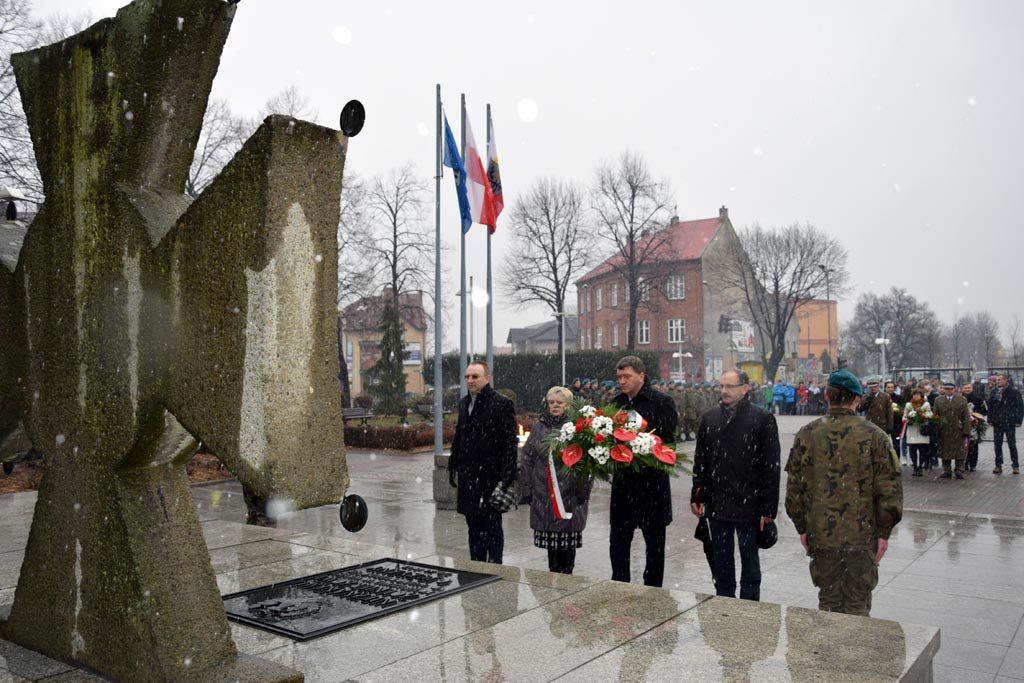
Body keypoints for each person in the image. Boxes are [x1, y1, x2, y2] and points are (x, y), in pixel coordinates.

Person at [785, 369, 903, 616]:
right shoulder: (875, 436)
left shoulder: (807, 434)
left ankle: (829, 652)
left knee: (828, 602)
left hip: (822, 536)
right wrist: (884, 532)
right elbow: (889, 490)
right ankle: (853, 653)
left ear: (827, 396)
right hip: (861, 538)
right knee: (857, 604)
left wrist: (803, 527)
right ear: (856, 399)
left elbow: (795, 489)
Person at [690, 369, 780, 601]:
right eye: (722, 386)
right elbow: (701, 459)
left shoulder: (762, 419)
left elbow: (772, 467)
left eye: (730, 386)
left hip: (749, 505)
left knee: (750, 562)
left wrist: (768, 509)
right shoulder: (710, 418)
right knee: (721, 561)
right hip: (718, 503)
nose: (724, 391)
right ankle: (724, 600)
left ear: (745, 388)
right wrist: (697, 493)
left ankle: (750, 605)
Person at [609, 355, 678, 587]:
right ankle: (619, 585)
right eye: (619, 377)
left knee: (654, 546)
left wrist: (642, 445)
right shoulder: (616, 403)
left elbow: (668, 441)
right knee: (618, 543)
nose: (622, 381)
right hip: (623, 487)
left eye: (627, 376)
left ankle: (653, 591)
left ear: (641, 375)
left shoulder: (662, 402)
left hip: (652, 487)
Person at [448, 361, 518, 563]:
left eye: (475, 376)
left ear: (487, 379)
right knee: (473, 526)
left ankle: (495, 567)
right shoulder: (463, 403)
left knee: (492, 527)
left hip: (490, 476)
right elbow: (460, 436)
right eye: (467, 376)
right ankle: (477, 566)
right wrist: (453, 464)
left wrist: (506, 477)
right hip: (469, 476)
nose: (470, 380)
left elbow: (509, 443)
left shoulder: (501, 403)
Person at [518, 386, 593, 574]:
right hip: (545, 495)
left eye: (559, 403)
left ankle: (567, 578)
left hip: (569, 495)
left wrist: (582, 491)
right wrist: (526, 489)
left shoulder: (578, 427)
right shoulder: (538, 427)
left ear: (568, 405)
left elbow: (587, 461)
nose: (555, 406)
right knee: (552, 548)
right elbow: (527, 457)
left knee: (567, 548)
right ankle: (554, 577)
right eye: (551, 402)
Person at [933, 381, 971, 479]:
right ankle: (947, 470)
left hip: (957, 429)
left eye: (951, 389)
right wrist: (936, 428)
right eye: (946, 389)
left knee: (959, 451)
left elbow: (966, 417)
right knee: (945, 450)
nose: (949, 391)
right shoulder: (938, 400)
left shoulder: (962, 400)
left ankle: (959, 469)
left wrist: (966, 430)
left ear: (955, 389)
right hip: (944, 429)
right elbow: (935, 415)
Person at [988, 373, 1023, 475]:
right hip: (997, 422)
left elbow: (1020, 407)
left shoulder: (1014, 392)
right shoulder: (994, 392)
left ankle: (1015, 466)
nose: (997, 381)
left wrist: (1018, 420)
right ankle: (998, 465)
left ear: (1005, 380)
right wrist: (990, 419)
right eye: (997, 380)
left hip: (1009, 422)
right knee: (997, 445)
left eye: (1000, 380)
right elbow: (990, 406)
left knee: (1012, 444)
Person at [902, 388, 932, 476]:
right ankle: (915, 467)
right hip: (912, 429)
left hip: (922, 429)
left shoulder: (926, 404)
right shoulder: (908, 405)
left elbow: (930, 414)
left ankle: (920, 467)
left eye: (918, 395)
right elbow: (904, 416)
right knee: (912, 449)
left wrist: (923, 416)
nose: (916, 397)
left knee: (922, 450)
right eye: (914, 395)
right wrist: (908, 419)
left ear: (921, 396)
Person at [962, 383, 986, 472]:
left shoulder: (978, 399)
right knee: (963, 445)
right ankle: (964, 463)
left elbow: (984, 411)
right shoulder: (959, 399)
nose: (967, 389)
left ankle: (973, 464)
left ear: (972, 388)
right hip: (962, 425)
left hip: (974, 425)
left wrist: (976, 416)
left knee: (973, 445)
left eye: (969, 388)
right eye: (965, 388)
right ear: (962, 389)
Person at [886, 381, 907, 465]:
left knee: (896, 444)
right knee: (884, 443)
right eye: (888, 387)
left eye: (892, 387)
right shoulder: (882, 397)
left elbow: (903, 409)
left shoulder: (899, 398)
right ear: (885, 388)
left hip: (896, 423)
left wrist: (896, 408)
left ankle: (896, 460)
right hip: (885, 423)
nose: (890, 389)